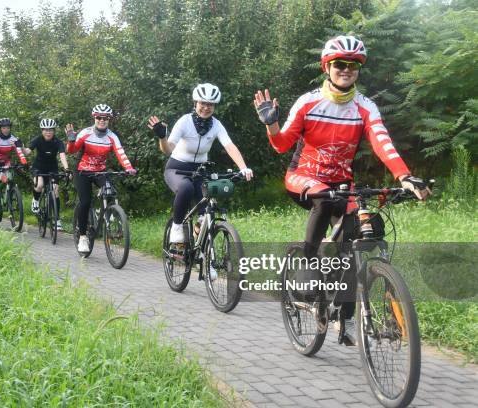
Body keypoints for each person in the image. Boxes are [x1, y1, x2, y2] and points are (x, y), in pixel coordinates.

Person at [253, 35, 430, 345]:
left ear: (358, 70)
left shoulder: (365, 107)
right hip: (303, 176)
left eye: (353, 65)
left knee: (357, 243)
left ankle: (344, 318)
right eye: (339, 64)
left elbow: (382, 142)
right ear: (327, 67)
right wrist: (271, 125)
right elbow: (281, 145)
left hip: (342, 184)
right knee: (323, 197)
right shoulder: (308, 102)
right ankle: (309, 265)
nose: (346, 69)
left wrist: (404, 176)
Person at [148, 83, 253, 244]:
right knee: (185, 188)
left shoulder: (216, 125)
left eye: (210, 104)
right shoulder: (184, 121)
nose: (206, 107)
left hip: (200, 171)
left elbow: (229, 146)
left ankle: (203, 256)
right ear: (195, 103)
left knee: (207, 212)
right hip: (177, 168)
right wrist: (162, 137)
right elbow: (168, 150)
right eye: (202, 103)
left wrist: (243, 168)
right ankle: (176, 227)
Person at [65, 104, 136, 253]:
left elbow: (120, 153)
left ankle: (109, 216)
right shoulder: (85, 133)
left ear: (109, 119)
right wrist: (71, 141)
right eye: (99, 118)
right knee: (85, 202)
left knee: (111, 191)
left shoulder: (112, 137)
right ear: (94, 118)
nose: (102, 120)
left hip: (100, 172)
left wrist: (128, 168)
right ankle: (83, 237)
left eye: (105, 118)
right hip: (82, 171)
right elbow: (71, 151)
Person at [24, 118, 70, 231]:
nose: (48, 132)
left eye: (50, 130)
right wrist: (21, 147)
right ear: (42, 130)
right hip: (38, 167)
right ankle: (35, 201)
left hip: (52, 168)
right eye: (45, 130)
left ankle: (57, 219)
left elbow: (62, 155)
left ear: (54, 131)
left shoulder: (58, 141)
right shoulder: (37, 140)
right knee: (39, 185)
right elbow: (28, 152)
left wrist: (67, 169)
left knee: (55, 190)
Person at [0, 118, 27, 224]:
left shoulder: (14, 139)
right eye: (3, 128)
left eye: (8, 127)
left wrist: (24, 163)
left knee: (9, 179)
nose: (6, 130)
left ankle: (9, 196)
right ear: (0, 128)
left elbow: (20, 152)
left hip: (4, 162)